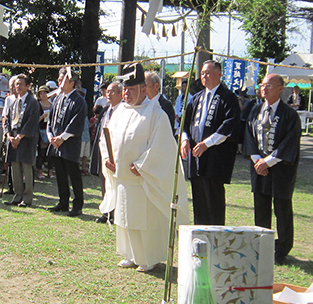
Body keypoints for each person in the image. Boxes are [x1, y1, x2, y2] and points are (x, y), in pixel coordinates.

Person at [99, 63, 188, 272]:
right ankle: (130, 254)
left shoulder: (156, 114)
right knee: (124, 218)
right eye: (125, 89)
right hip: (122, 177)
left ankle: (148, 257)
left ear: (143, 89)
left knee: (142, 220)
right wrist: (107, 159)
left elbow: (162, 146)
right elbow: (107, 139)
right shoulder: (120, 111)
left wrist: (143, 165)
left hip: (142, 179)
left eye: (131, 89)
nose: (127, 93)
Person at [246, 74, 301, 261]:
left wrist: (267, 161)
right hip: (259, 166)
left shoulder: (289, 114)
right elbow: (249, 137)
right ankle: (262, 244)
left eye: (269, 85)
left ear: (280, 88)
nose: (264, 88)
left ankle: (282, 248)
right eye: (263, 85)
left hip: (280, 167)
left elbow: (289, 143)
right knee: (261, 207)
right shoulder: (255, 110)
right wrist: (257, 161)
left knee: (282, 208)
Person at [181, 59, 241, 226]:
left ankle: (216, 236)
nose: (204, 76)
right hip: (196, 155)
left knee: (213, 198)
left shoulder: (227, 97)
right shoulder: (197, 98)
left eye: (208, 72)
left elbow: (230, 123)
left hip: (215, 155)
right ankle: (200, 232)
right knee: (199, 197)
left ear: (219, 74)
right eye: (202, 73)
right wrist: (185, 140)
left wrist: (207, 143)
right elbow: (185, 123)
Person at [45, 68, 90, 217]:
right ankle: (63, 202)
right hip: (56, 143)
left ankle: (77, 205)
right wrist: (50, 135)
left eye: (62, 79)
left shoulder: (79, 101)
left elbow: (76, 123)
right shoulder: (58, 99)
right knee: (60, 174)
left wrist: (62, 138)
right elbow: (50, 120)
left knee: (74, 174)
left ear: (72, 83)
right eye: (59, 79)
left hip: (70, 143)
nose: (59, 82)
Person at [3, 74, 42, 207]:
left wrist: (20, 137)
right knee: (15, 168)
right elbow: (7, 119)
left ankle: (27, 197)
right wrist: (9, 135)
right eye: (16, 84)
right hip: (13, 137)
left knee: (26, 168)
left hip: (26, 139)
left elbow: (32, 122)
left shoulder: (32, 102)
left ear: (28, 86)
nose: (17, 86)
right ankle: (17, 194)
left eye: (20, 84)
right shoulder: (13, 101)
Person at [94, 81, 123, 224]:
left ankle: (116, 213)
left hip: (117, 153)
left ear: (120, 94)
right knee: (104, 182)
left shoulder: (124, 111)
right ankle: (106, 212)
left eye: (112, 92)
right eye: (107, 91)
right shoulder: (105, 110)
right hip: (104, 152)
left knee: (116, 183)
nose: (108, 94)